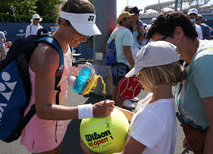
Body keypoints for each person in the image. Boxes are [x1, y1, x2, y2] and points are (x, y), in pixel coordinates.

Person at [20, 0, 115, 154]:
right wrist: (91, 110)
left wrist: (76, 81)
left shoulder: (66, 46)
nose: (85, 39)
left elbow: (60, 76)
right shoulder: (48, 53)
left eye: (88, 32)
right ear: (63, 22)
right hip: (42, 124)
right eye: (81, 31)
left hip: (58, 119)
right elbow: (42, 109)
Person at [81, 41, 186, 154]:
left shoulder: (151, 115)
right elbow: (138, 118)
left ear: (155, 74)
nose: (137, 78)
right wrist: (115, 108)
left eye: (140, 74)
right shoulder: (159, 99)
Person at [147, 11, 213, 154]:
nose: (158, 51)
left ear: (178, 32)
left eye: (160, 43)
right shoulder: (189, 58)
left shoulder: (204, 60)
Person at [105, 11, 135, 108]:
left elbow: (107, 44)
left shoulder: (116, 31)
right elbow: (127, 50)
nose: (131, 20)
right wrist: (132, 65)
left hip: (114, 63)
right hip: (123, 64)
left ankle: (114, 107)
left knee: (115, 86)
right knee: (122, 89)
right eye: (129, 18)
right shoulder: (127, 32)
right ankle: (119, 110)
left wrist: (111, 56)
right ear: (123, 20)